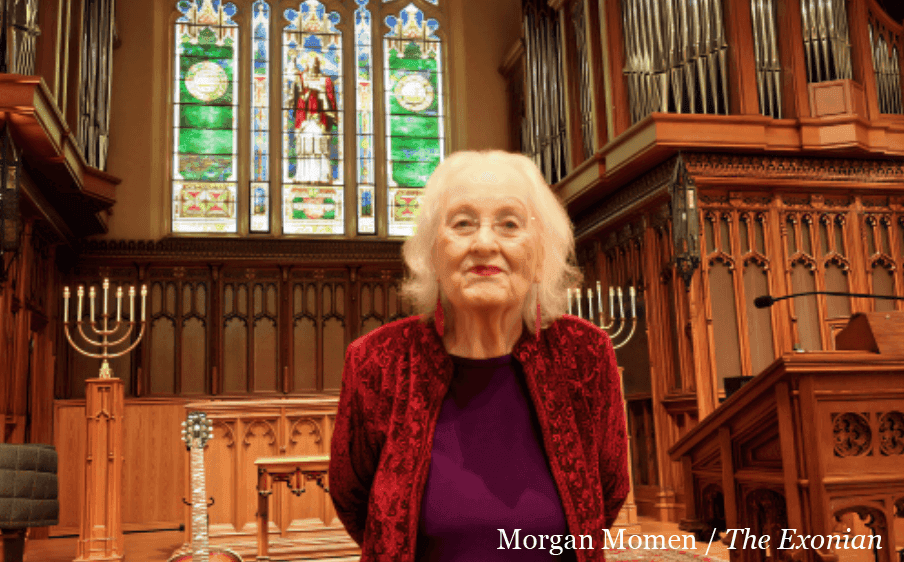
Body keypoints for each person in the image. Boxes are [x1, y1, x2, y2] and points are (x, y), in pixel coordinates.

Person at [329, 150, 629, 561]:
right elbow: (354, 500)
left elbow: (606, 493)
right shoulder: (377, 361)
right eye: (463, 224)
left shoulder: (585, 354)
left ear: (541, 255)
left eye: (509, 224)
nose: (484, 243)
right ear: (432, 253)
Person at [292, 53, 336, 183]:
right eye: (311, 62)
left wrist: (321, 92)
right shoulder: (301, 78)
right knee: (306, 147)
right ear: (306, 63)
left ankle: (322, 177)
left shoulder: (326, 80)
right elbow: (298, 99)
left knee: (320, 147)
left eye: (316, 62)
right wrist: (306, 90)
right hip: (306, 120)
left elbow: (331, 100)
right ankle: (304, 177)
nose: (314, 64)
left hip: (320, 120)